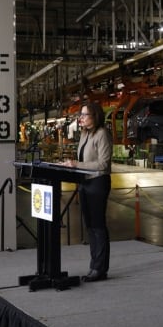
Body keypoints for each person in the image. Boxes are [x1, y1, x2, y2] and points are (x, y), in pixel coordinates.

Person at [63, 102, 113, 282]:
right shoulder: (84, 134)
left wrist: (78, 165)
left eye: (85, 115)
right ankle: (94, 265)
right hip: (85, 183)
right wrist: (72, 166)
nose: (81, 118)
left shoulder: (102, 134)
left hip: (98, 183)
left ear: (95, 116)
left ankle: (100, 269)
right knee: (90, 226)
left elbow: (103, 164)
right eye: (81, 115)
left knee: (98, 226)